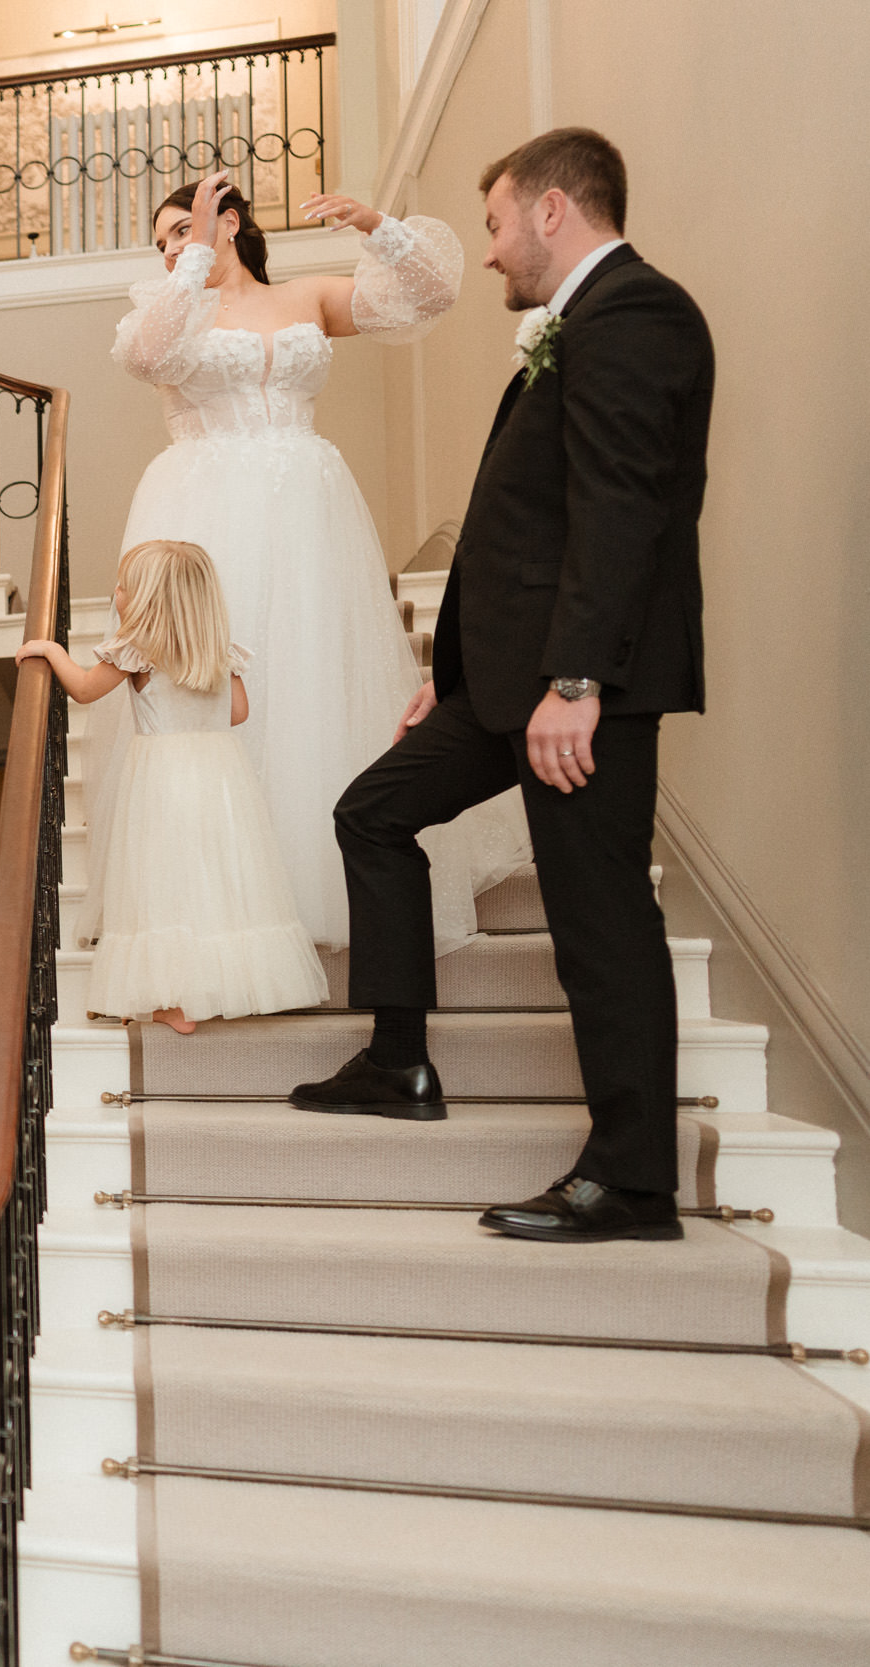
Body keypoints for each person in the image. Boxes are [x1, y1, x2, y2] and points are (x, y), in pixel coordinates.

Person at [292, 130, 712, 1246]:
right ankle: (399, 1059)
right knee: (372, 811)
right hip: (508, 682)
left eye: (493, 224)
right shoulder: (578, 323)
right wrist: (454, 676)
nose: (486, 252)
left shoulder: (635, 314)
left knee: (598, 919)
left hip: (578, 688)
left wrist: (577, 679)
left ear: (551, 210)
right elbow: (522, 529)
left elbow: (620, 512)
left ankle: (632, 1182)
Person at [89, 168, 529, 956]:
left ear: (230, 221)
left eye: (183, 230)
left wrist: (376, 226)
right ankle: (224, 910)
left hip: (307, 506)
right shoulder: (171, 310)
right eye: (162, 243)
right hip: (205, 510)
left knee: (311, 682)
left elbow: (429, 294)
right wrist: (192, 260)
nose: (171, 250)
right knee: (217, 689)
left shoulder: (307, 297)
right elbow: (147, 357)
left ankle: (318, 886)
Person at [21, 541, 328, 1032]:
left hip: (162, 775)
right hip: (219, 773)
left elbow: (83, 689)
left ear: (147, 599)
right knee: (215, 878)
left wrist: (52, 651)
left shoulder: (137, 649)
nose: (117, 592)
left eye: (124, 586)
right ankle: (231, 984)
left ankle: (173, 1000)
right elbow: (238, 713)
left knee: (163, 880)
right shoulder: (218, 650)